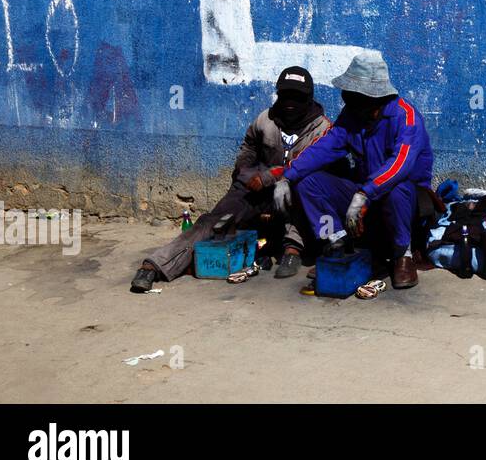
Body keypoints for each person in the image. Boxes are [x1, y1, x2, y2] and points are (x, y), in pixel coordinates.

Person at [129, 67, 330, 292]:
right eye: (286, 95)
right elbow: (247, 151)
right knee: (214, 221)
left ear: (309, 98)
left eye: (297, 97)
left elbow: (307, 166)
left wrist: (268, 177)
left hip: (294, 194)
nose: (290, 102)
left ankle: (292, 249)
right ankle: (156, 265)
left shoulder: (322, 128)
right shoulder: (266, 119)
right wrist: (248, 175)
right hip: (256, 191)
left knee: (304, 191)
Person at [277, 52, 433, 291]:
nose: (346, 99)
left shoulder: (406, 118)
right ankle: (336, 242)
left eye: (352, 94)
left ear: (372, 97)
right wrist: (288, 176)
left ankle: (403, 254)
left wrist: (365, 193)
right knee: (308, 183)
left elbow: (399, 166)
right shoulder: (352, 116)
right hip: (365, 200)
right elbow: (325, 147)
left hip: (405, 203)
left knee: (397, 186)